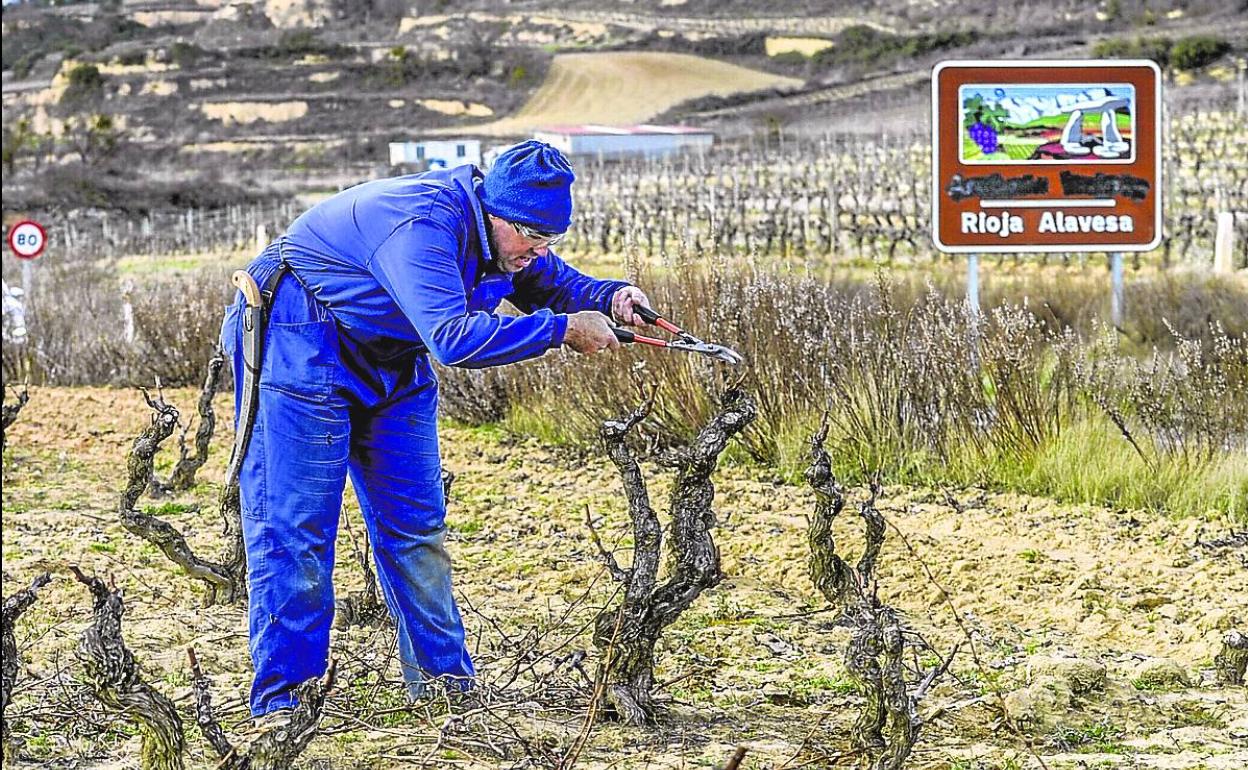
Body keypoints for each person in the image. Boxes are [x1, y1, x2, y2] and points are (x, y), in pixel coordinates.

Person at [220, 140, 650, 718]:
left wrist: (610, 296)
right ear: (495, 211)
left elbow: (551, 283)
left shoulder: (508, 236)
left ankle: (447, 691)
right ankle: (284, 706)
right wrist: (563, 331)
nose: (538, 251)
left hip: (391, 355)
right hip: (299, 335)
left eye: (550, 239)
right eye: (531, 236)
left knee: (416, 527)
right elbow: (452, 339)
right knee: (297, 530)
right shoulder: (425, 225)